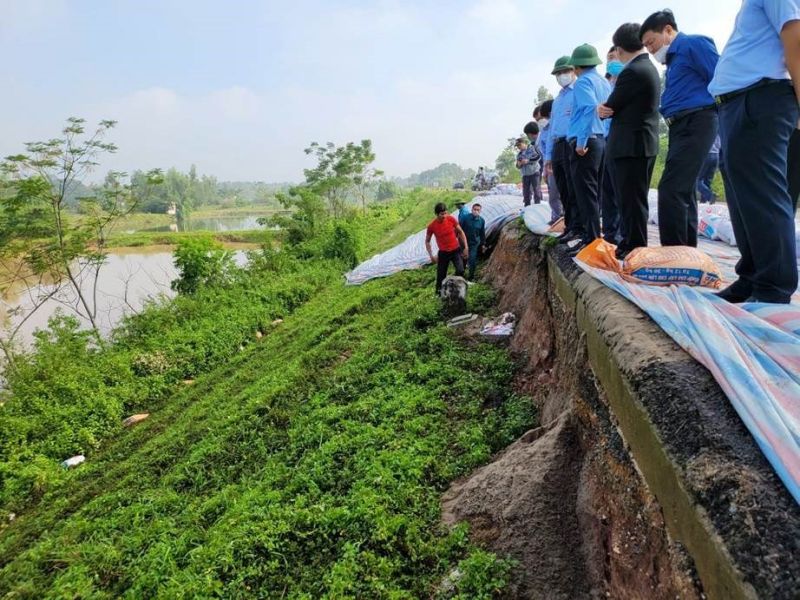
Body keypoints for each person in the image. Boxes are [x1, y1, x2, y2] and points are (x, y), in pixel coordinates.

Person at [709, 0, 800, 304]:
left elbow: (795, 39)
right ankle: (752, 276)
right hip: (740, 101)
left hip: (761, 97)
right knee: (742, 197)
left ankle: (773, 287)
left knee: (762, 195)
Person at [640, 9, 719, 248]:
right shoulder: (672, 63)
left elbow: (720, 79)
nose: (651, 50)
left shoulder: (694, 44)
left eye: (651, 42)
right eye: (646, 47)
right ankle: (687, 252)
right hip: (680, 126)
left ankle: (672, 255)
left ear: (668, 30)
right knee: (683, 190)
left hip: (698, 121)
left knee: (670, 189)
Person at [599, 23, 661, 259]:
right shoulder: (645, 67)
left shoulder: (633, 71)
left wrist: (602, 108)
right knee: (631, 200)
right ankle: (630, 243)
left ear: (621, 47)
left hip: (631, 146)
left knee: (631, 201)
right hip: (637, 144)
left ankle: (633, 247)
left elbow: (610, 106)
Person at [566, 43, 612, 252]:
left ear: (577, 66)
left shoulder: (583, 82)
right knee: (595, 193)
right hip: (600, 139)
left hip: (586, 141)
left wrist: (582, 142)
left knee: (585, 194)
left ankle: (591, 240)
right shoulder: (603, 81)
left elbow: (588, 110)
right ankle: (593, 237)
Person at [545, 56, 579, 240]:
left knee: (573, 187)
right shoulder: (558, 99)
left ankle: (577, 227)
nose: (561, 76)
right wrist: (548, 155)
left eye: (564, 72)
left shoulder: (579, 91)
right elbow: (552, 129)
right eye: (558, 73)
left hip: (571, 143)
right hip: (558, 145)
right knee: (563, 188)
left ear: (573, 71)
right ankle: (570, 226)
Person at [601, 46, 626, 244]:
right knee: (607, 189)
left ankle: (622, 236)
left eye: (614, 57)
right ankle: (610, 235)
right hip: (605, 139)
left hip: (621, 139)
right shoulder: (605, 83)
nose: (611, 61)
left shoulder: (629, 79)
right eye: (608, 58)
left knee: (621, 191)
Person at [426, 202, 469, 295]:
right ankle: (438, 294)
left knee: (460, 270)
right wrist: (431, 255)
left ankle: (454, 287)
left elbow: (461, 232)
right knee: (440, 276)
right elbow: (427, 241)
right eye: (442, 214)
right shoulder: (432, 226)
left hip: (455, 250)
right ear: (436, 214)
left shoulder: (451, 219)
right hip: (443, 253)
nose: (444, 216)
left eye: (445, 213)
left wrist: (466, 247)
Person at [537, 99, 564, 223]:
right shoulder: (544, 132)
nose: (540, 122)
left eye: (540, 118)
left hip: (559, 161)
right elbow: (544, 150)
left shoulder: (558, 126)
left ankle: (563, 218)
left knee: (560, 193)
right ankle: (557, 217)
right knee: (553, 194)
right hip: (550, 166)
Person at [460, 203, 487, 280]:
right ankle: (461, 274)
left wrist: (483, 244)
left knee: (472, 260)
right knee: (463, 259)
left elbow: (482, 233)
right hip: (464, 243)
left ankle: (470, 277)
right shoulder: (465, 218)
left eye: (478, 210)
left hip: (474, 244)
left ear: (480, 211)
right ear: (472, 210)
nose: (476, 211)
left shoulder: (481, 221)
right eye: (474, 209)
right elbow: (459, 230)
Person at [515, 133, 541, 207]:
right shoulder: (519, 154)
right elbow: (517, 165)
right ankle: (527, 207)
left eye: (519, 145)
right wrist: (519, 165)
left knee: (536, 190)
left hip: (534, 173)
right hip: (525, 175)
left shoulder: (532, 148)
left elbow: (538, 157)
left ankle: (537, 206)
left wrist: (528, 160)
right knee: (526, 192)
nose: (518, 147)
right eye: (517, 146)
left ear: (524, 143)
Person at [696, 135, 720, 204]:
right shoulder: (717, 127)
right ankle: (703, 201)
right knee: (707, 180)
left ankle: (709, 196)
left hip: (706, 154)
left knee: (697, 180)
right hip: (716, 156)